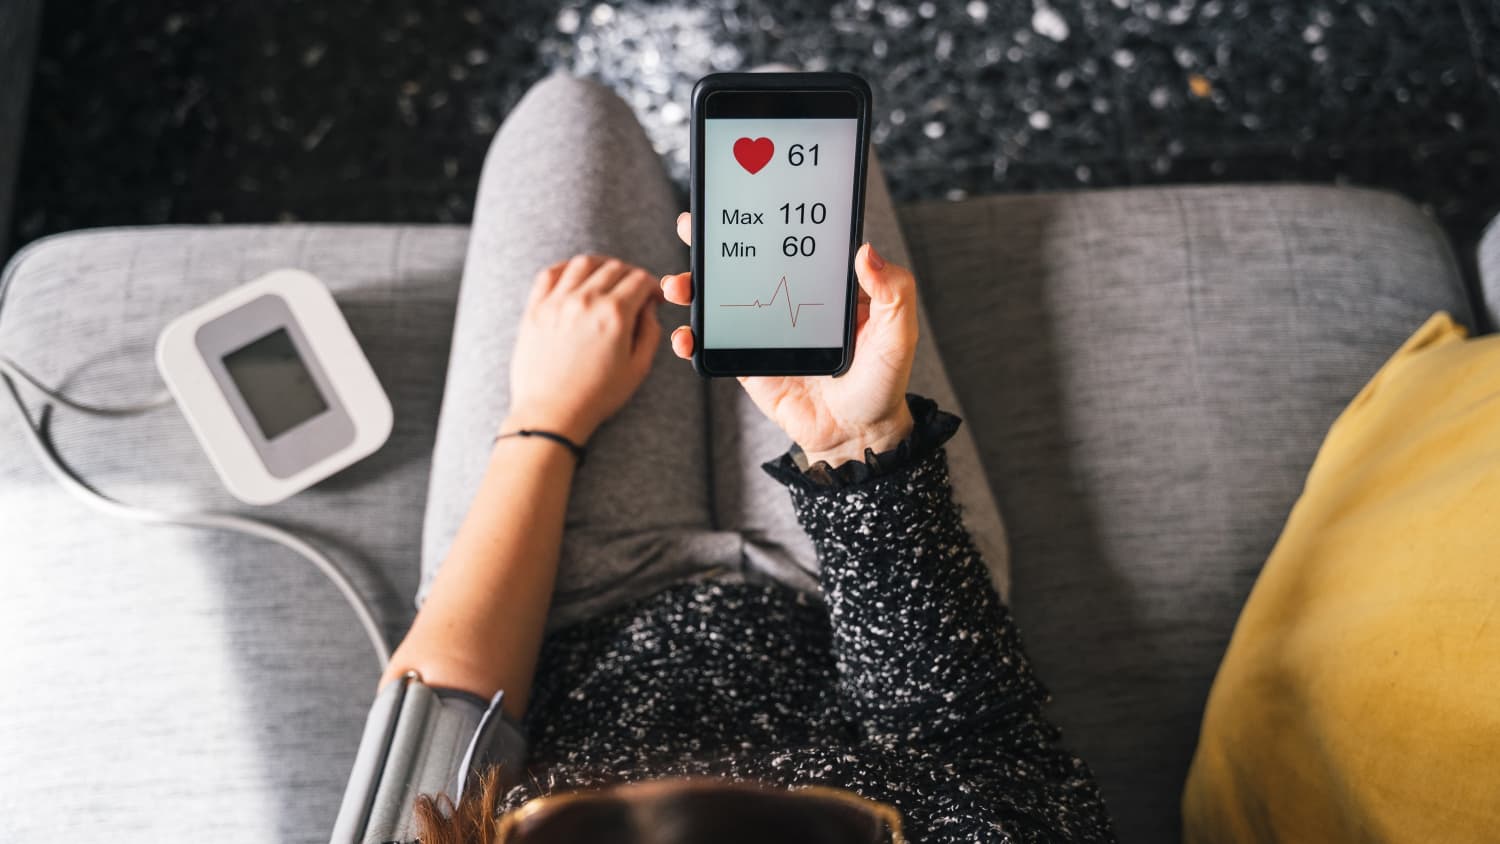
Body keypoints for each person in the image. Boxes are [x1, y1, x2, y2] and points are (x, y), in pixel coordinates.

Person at [339, 74, 1115, 844]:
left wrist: (543, 419)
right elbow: (975, 744)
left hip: (556, 614)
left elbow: (443, 715)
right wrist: (856, 445)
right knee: (791, 111)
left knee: (571, 116)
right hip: (856, 590)